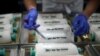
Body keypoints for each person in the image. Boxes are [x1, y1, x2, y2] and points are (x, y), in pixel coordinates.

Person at [23, 0, 99, 37]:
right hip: (50, 5)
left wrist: (85, 14)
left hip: (75, 5)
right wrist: (31, 8)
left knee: (75, 31)